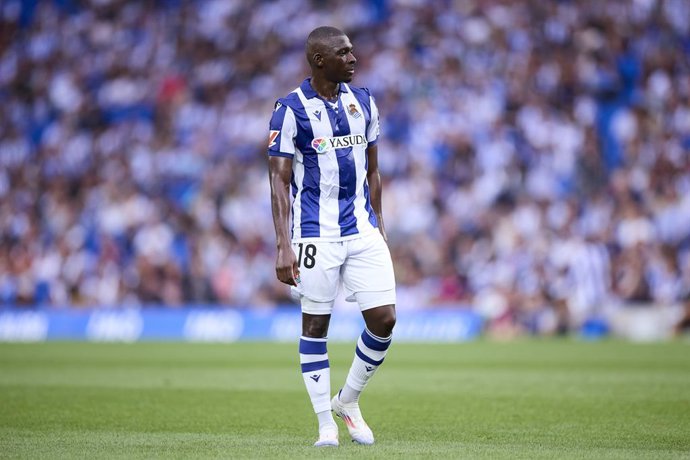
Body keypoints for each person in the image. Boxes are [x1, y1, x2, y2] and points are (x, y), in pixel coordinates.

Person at [267, 26, 396, 447]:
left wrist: (380, 225)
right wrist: (284, 244)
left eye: (353, 51)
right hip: (313, 235)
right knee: (316, 325)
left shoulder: (364, 102)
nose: (354, 58)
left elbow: (373, 170)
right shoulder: (290, 110)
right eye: (344, 53)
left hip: (361, 229)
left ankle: (348, 400)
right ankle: (325, 422)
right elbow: (278, 181)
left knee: (385, 320)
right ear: (320, 60)